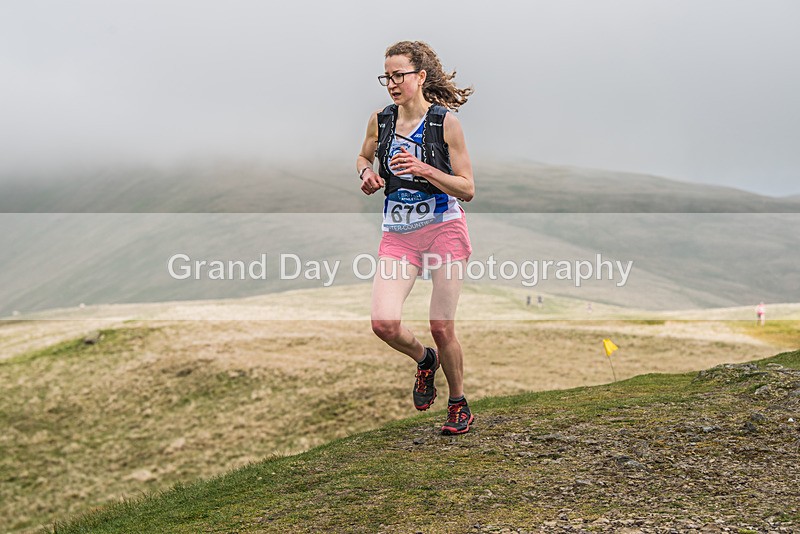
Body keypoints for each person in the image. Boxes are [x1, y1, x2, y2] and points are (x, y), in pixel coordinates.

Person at [356, 40, 475, 435]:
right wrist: (366, 173)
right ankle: (425, 360)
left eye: (399, 75)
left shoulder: (445, 123)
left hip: (444, 230)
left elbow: (467, 188)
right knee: (383, 323)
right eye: (386, 77)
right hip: (399, 235)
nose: (392, 83)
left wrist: (424, 169)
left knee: (442, 327)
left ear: (420, 76)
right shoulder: (381, 121)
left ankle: (458, 403)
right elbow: (363, 156)